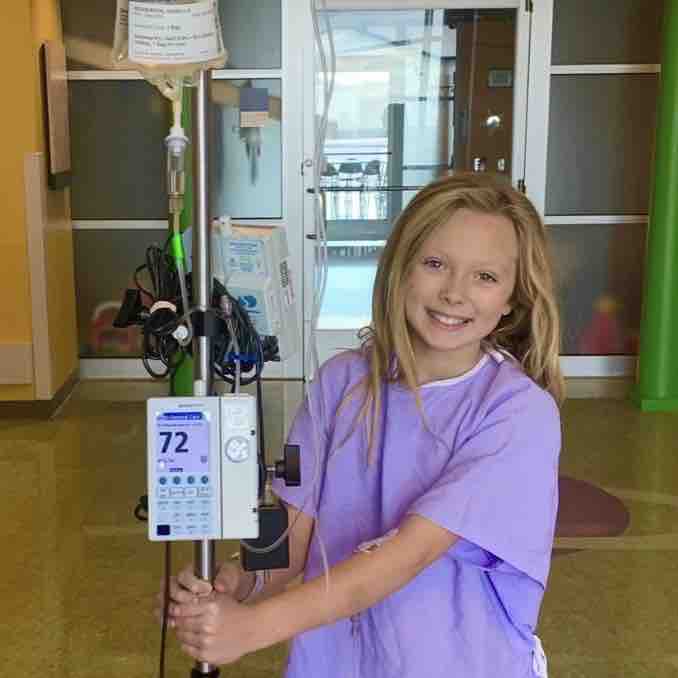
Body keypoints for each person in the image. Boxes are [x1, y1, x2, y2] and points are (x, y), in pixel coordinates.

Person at [160, 171, 563, 678]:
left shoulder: (518, 412)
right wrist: (239, 582)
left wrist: (251, 628)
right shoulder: (341, 383)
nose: (454, 293)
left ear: (511, 299)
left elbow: (406, 556)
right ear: (401, 268)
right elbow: (290, 531)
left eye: (485, 277)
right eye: (435, 264)